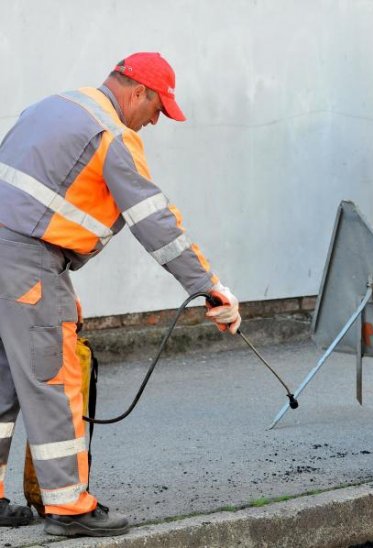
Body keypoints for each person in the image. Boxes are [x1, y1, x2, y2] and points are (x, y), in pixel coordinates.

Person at [0, 52, 242, 537]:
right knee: (55, 380)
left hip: (11, 255)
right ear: (137, 92)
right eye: (157, 109)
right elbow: (155, 222)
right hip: (26, 262)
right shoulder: (112, 135)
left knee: (3, 384)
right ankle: (69, 508)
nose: (155, 121)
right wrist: (207, 286)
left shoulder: (54, 106)